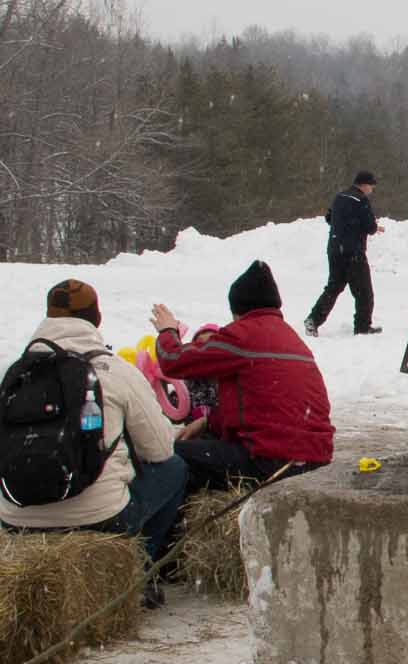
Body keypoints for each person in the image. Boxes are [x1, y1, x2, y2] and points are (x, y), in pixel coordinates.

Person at [0, 280, 186, 606]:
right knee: (176, 469)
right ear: (96, 319)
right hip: (100, 519)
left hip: (16, 519)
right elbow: (159, 450)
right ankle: (139, 570)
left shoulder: (14, 374)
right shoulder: (114, 370)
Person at [153, 262, 335, 491]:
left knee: (168, 454)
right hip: (314, 459)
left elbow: (173, 360)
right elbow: (259, 406)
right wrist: (209, 422)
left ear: (238, 309)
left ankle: (167, 514)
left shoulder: (243, 335)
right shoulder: (290, 337)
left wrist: (167, 330)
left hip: (272, 462)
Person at [305, 170, 385, 335]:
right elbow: (370, 227)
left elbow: (329, 218)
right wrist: (374, 226)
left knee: (333, 287)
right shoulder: (361, 200)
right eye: (371, 186)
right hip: (353, 252)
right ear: (364, 185)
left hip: (335, 249)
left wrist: (345, 225)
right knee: (363, 292)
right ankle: (362, 327)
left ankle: (313, 319)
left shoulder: (340, 196)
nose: (371, 190)